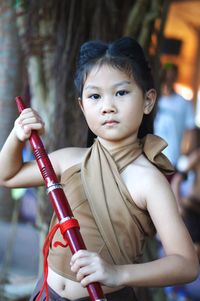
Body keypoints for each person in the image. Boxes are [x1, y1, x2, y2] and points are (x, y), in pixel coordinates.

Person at [0, 37, 198, 301]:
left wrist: (117, 274)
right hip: (46, 293)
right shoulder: (68, 159)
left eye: (121, 93)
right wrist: (17, 135)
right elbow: (7, 175)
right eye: (94, 96)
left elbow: (186, 263)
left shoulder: (149, 181)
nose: (108, 106)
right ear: (82, 105)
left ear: (148, 101)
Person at [154, 63, 195, 168]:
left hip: (173, 160)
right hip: (152, 157)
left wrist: (185, 156)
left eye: (171, 76)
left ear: (176, 76)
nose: (168, 79)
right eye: (166, 76)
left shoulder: (184, 103)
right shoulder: (153, 99)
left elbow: (190, 131)